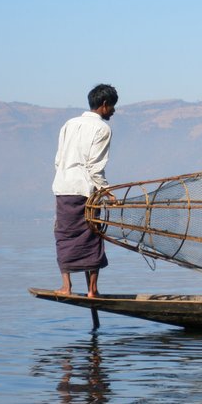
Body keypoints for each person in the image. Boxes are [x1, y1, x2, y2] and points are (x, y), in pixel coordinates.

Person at [52, 84, 118, 297]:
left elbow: (58, 160)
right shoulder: (102, 129)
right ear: (104, 105)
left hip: (63, 187)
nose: (114, 111)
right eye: (113, 106)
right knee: (92, 234)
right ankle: (92, 289)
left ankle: (66, 287)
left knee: (65, 234)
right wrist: (107, 192)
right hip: (85, 189)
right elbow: (94, 167)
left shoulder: (69, 124)